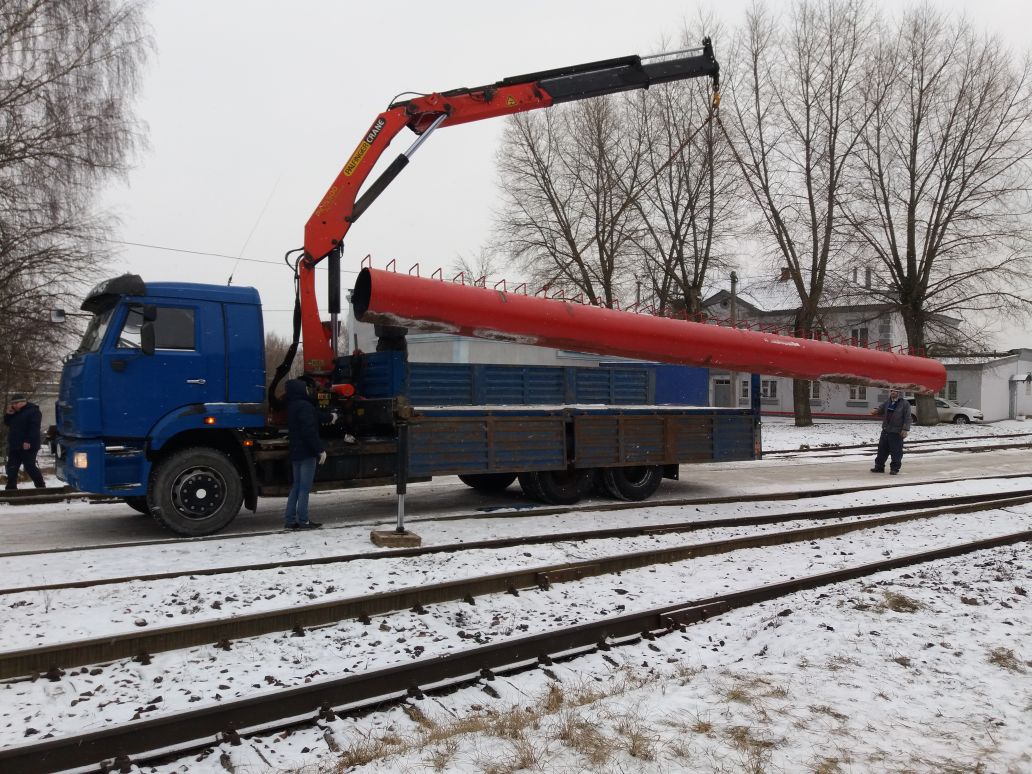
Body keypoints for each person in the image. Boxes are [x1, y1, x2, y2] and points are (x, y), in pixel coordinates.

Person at [283, 378, 326, 529]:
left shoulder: (293, 406)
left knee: (296, 486)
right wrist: (319, 449)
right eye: (305, 389)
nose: (308, 391)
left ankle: (289, 520)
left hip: (295, 451)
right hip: (307, 453)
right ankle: (303, 520)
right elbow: (309, 431)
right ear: (300, 391)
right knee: (304, 488)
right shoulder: (305, 406)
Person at [4, 393, 46, 490]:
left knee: (29, 467)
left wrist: (28, 441)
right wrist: (8, 415)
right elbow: (8, 423)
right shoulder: (15, 412)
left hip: (28, 445)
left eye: (15, 403)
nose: (13, 405)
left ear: (23, 402)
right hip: (15, 444)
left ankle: (40, 486)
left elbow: (34, 428)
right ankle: (11, 488)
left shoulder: (34, 411)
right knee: (12, 467)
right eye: (12, 403)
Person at [870, 388, 912, 475]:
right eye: (892, 391)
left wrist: (905, 429)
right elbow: (881, 409)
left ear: (899, 393)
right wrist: (876, 411)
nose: (893, 392)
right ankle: (879, 467)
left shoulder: (905, 404)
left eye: (895, 391)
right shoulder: (888, 402)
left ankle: (894, 469)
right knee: (882, 450)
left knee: (896, 451)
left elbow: (908, 417)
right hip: (886, 430)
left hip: (897, 432)